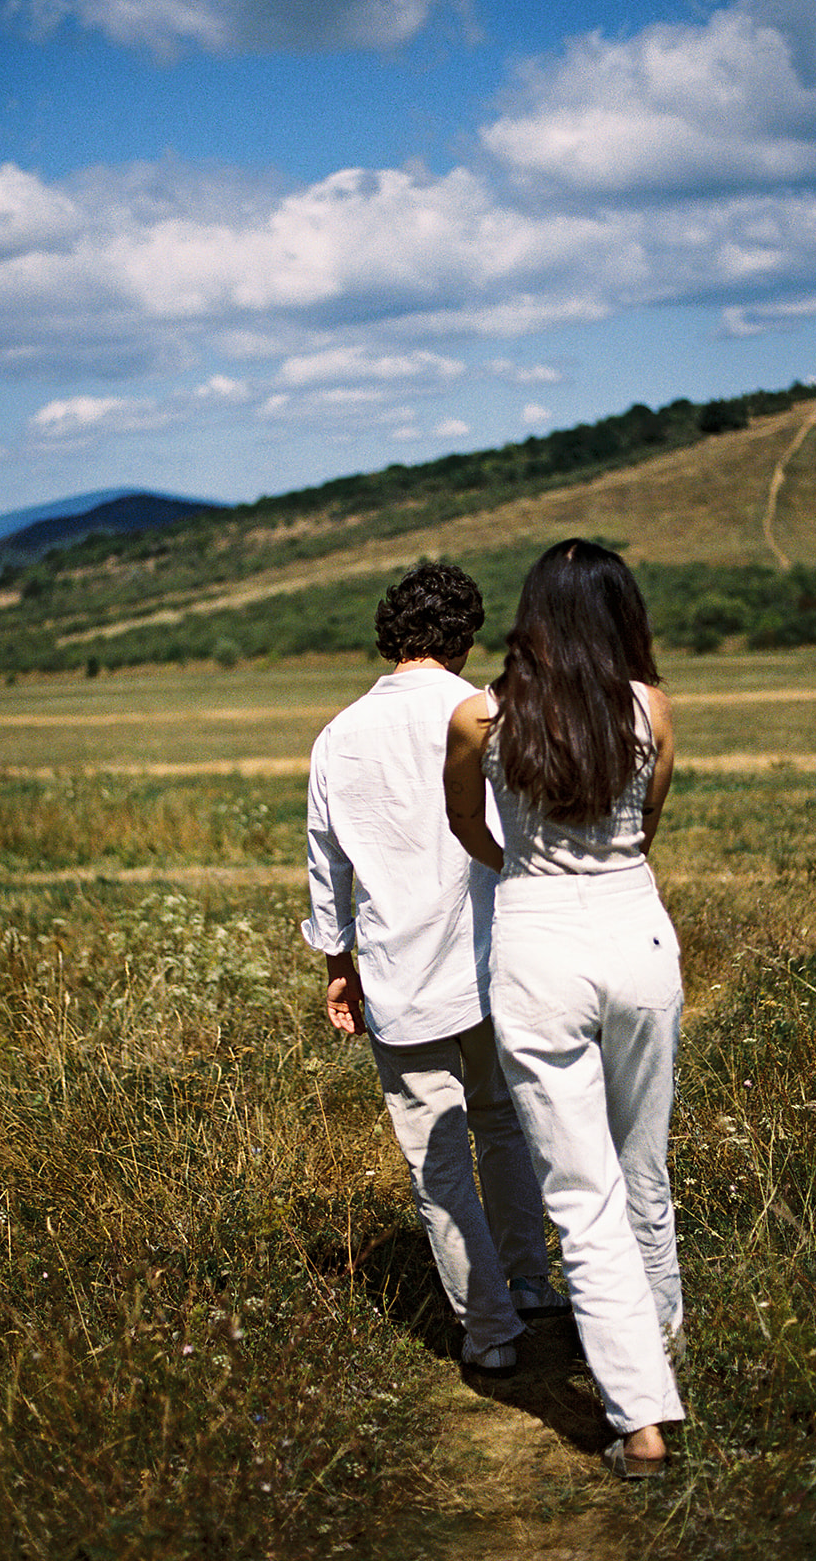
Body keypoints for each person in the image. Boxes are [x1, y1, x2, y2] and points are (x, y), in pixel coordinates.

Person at [443, 539, 685, 1477]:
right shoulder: (651, 710)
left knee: (582, 1197)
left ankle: (641, 1419)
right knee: (644, 1167)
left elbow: (469, 826)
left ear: (531, 615)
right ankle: (666, 1350)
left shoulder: (484, 718)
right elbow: (652, 820)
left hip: (538, 945)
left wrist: (529, 873)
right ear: (623, 613)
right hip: (636, 931)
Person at [301, 561, 567, 1376]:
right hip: (497, 956)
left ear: (388, 636)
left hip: (398, 972)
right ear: (465, 637)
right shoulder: (485, 712)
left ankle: (487, 1332)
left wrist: (338, 962)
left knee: (437, 1154)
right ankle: (530, 1283)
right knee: (505, 1124)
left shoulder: (338, 735)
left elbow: (327, 866)